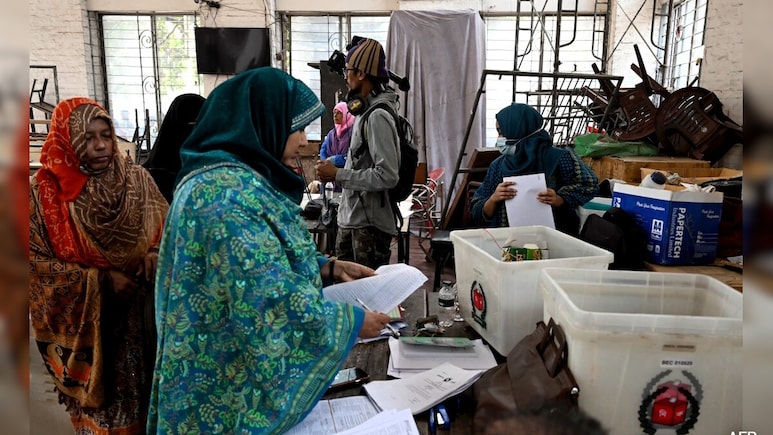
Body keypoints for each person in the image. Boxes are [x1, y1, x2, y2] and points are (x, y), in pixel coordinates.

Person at [148, 67, 391, 434]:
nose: (304, 141)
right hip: (218, 390)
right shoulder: (222, 197)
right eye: (297, 127)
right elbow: (264, 298)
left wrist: (327, 268)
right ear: (263, 121)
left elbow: (259, 257)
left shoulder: (233, 178)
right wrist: (353, 323)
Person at [29, 97, 168, 434]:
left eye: (106, 135)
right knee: (105, 419)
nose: (101, 145)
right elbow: (34, 265)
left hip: (143, 318)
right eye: (88, 138)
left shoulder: (137, 181)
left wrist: (153, 254)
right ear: (68, 138)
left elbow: (167, 233)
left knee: (152, 408)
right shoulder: (44, 195)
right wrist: (101, 281)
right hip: (90, 328)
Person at [316, 38, 400, 269]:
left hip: (368, 227)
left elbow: (388, 175)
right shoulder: (364, 112)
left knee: (367, 297)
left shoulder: (377, 116)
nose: (345, 76)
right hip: (353, 220)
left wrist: (338, 174)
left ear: (361, 74)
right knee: (346, 294)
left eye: (348, 70)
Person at [469, 103, 598, 236]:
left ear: (518, 129)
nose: (499, 139)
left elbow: (589, 185)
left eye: (502, 132)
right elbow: (477, 209)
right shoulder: (498, 166)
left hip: (555, 240)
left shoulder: (559, 158)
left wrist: (560, 199)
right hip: (509, 243)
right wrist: (493, 199)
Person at [142, 93, 206, 203]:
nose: (196, 135)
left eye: (202, 126)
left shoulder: (216, 173)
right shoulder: (146, 180)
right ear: (174, 129)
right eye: (192, 125)